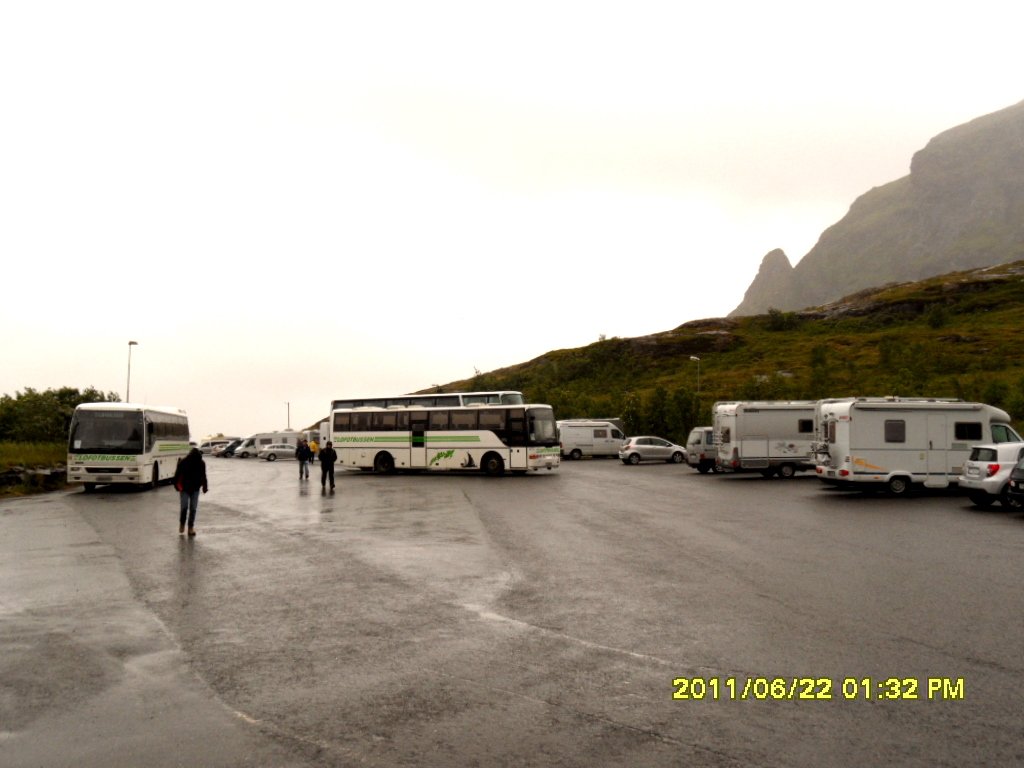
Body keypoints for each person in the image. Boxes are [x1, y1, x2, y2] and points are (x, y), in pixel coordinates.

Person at [173, 447, 208, 536]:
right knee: (184, 507)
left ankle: (190, 528)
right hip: (184, 488)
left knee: (193, 509)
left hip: (195, 488)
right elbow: (177, 475)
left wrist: (204, 486)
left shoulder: (201, 463)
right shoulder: (184, 462)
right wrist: (177, 487)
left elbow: (203, 475)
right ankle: (182, 524)